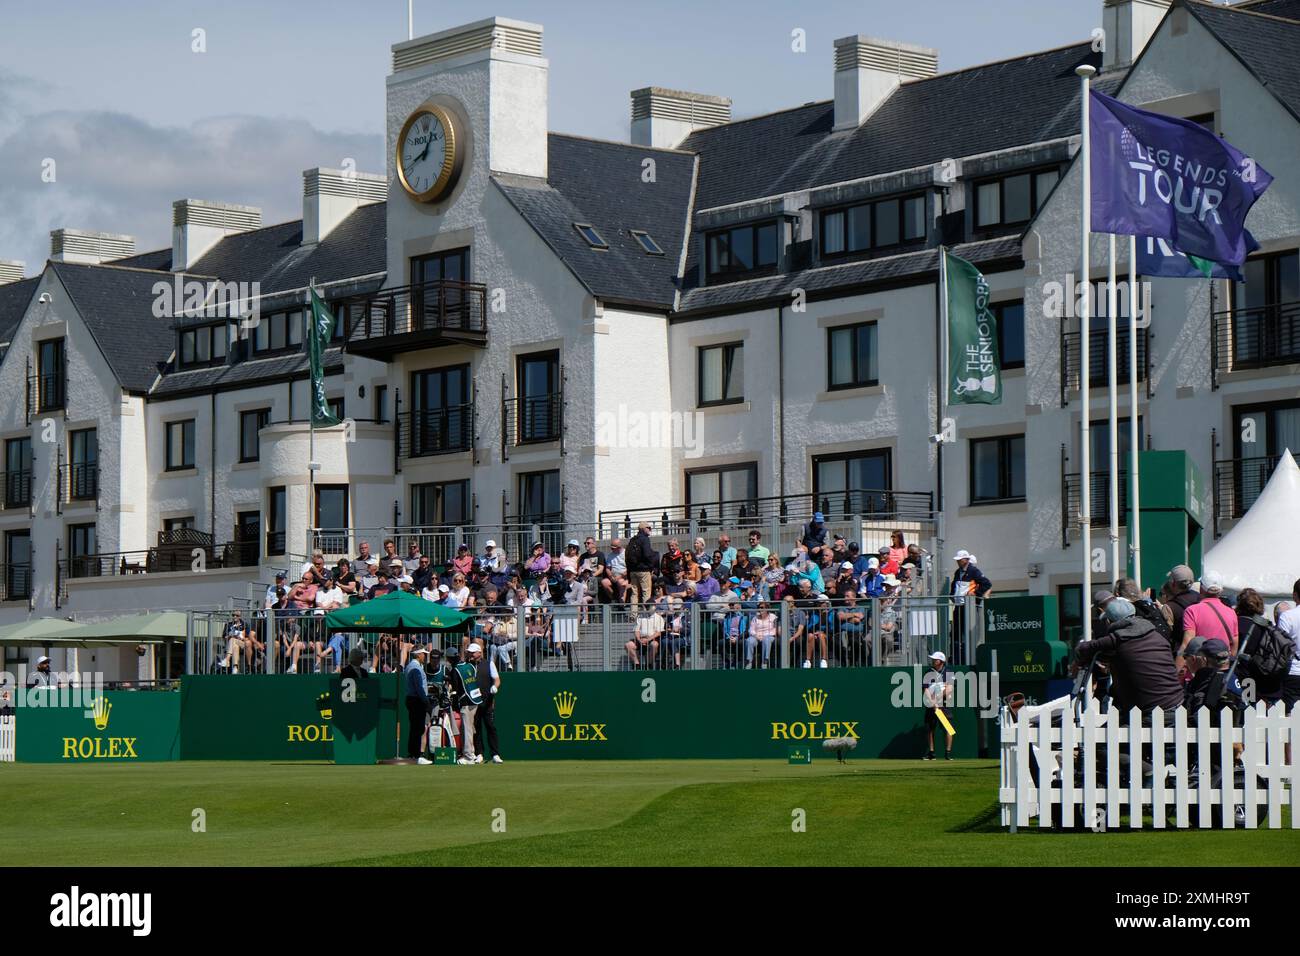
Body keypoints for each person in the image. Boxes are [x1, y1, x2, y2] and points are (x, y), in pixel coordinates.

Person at [1075, 598, 1185, 714]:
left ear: (1108, 621)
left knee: (1110, 730)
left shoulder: (1116, 640)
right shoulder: (1156, 635)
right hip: (1176, 704)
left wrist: (1082, 662)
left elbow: (1082, 649)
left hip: (1148, 711)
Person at [1177, 569, 1237, 668]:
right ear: (1220, 591)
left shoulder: (1192, 611)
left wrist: (1177, 669)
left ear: (1201, 588)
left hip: (1200, 669)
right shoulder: (1231, 612)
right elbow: (1234, 646)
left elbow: (1186, 644)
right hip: (1222, 669)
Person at [1235, 588, 1284, 706]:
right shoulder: (1268, 626)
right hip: (1270, 683)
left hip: (1246, 679)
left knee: (1247, 713)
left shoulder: (1236, 624)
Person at [948, 550, 992, 664]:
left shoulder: (974, 571)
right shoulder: (958, 572)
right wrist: (952, 595)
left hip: (968, 607)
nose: (957, 561)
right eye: (957, 560)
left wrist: (975, 593)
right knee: (955, 633)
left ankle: (969, 658)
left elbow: (987, 583)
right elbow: (954, 585)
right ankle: (956, 658)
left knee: (967, 632)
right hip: (958, 606)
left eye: (960, 559)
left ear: (966, 560)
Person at [450, 643, 491, 764]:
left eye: (471, 652)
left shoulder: (457, 669)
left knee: (467, 729)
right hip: (475, 700)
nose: (470, 654)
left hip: (466, 701)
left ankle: (469, 756)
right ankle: (471, 753)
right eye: (468, 652)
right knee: (469, 729)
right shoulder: (470, 666)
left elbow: (456, 688)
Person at [923, 651, 955, 761]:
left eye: (935, 659)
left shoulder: (948, 672)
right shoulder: (928, 673)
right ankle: (931, 753)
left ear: (940, 661)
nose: (932, 660)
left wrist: (936, 700)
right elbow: (925, 689)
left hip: (944, 706)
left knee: (948, 728)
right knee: (930, 729)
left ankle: (948, 753)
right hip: (931, 706)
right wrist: (932, 703)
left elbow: (949, 689)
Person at [403, 648, 432, 763]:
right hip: (417, 700)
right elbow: (419, 688)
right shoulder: (416, 668)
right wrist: (426, 702)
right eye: (424, 654)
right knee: (418, 728)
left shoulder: (411, 666)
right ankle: (416, 755)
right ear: (418, 654)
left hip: (413, 699)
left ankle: (413, 754)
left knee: (416, 728)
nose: (425, 656)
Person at [1276, 580, 1300, 711]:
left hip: (1293, 671)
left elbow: (1280, 646)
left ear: (1295, 595)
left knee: (1292, 718)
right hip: (1293, 671)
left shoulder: (1287, 616)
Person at [625, 523, 657, 607]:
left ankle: (633, 616)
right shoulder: (645, 539)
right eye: (648, 528)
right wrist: (651, 566)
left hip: (633, 571)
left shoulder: (632, 540)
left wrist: (629, 570)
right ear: (643, 529)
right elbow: (647, 554)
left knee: (634, 593)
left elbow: (627, 555)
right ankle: (646, 615)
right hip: (644, 570)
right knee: (646, 592)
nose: (650, 530)